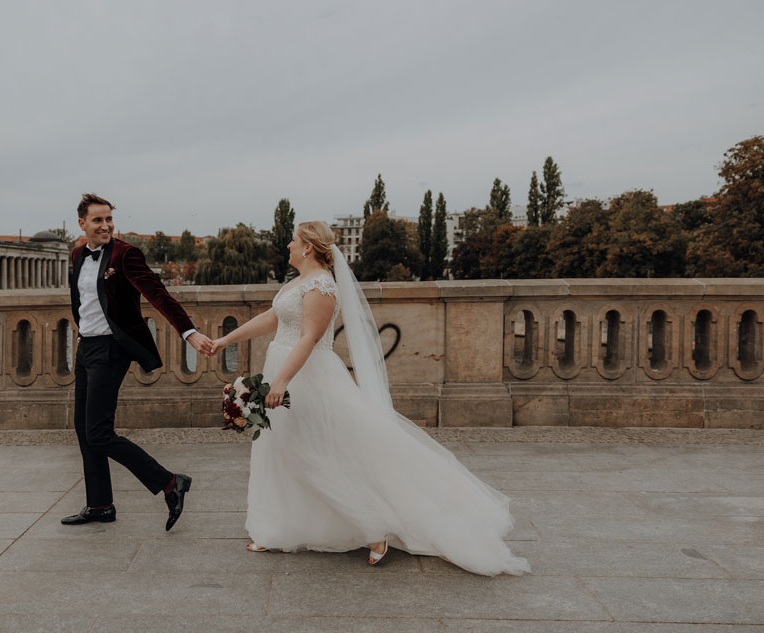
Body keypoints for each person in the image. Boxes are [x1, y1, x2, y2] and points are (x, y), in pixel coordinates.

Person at [210, 221, 529, 575]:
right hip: (284, 371)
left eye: (293, 240)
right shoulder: (296, 283)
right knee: (280, 449)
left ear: (308, 248)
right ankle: (274, 529)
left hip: (307, 377)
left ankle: (375, 527)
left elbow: (308, 339)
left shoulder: (322, 286)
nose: (287, 245)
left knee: (314, 454)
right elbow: (273, 318)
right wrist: (226, 341)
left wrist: (281, 381)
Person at [63, 193, 214, 530]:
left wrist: (188, 332)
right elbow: (81, 301)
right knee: (83, 430)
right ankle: (100, 504)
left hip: (111, 350)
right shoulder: (77, 255)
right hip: (86, 348)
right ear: (82, 224)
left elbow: (158, 294)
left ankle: (171, 483)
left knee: (99, 433)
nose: (105, 226)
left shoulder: (125, 254)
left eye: (109, 220)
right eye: (97, 220)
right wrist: (81, 332)